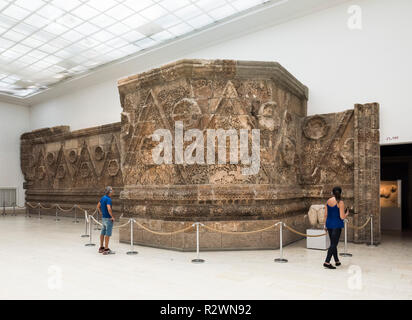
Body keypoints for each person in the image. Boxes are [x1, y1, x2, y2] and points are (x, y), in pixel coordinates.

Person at [323, 186, 349, 269]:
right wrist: (346, 214)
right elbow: (342, 217)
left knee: (333, 244)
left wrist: (325, 225)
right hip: (337, 225)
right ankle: (327, 262)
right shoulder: (340, 202)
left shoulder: (328, 201)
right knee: (334, 244)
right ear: (340, 193)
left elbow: (325, 214)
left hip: (329, 224)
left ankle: (337, 261)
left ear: (332, 193)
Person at [97, 186, 115, 255]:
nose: (113, 191)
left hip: (104, 218)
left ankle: (101, 247)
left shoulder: (103, 198)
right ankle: (106, 249)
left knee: (102, 232)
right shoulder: (108, 199)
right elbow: (109, 208)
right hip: (108, 218)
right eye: (112, 190)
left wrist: (101, 213)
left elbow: (98, 206)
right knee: (108, 233)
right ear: (110, 192)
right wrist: (112, 216)